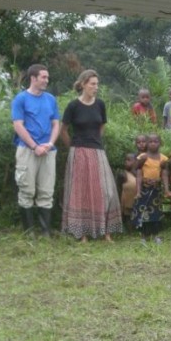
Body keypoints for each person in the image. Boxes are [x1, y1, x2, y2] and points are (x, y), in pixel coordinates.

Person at [61, 69, 122, 242]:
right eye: (92, 84)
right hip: (78, 151)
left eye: (97, 84)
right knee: (81, 192)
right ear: (83, 85)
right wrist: (72, 147)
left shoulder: (100, 104)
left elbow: (102, 125)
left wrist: (95, 140)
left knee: (105, 190)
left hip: (97, 151)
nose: (96, 87)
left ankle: (106, 232)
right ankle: (82, 234)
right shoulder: (73, 106)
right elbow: (63, 130)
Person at [11, 63, 60, 235]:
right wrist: (34, 146)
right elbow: (18, 125)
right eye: (43, 77)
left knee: (47, 191)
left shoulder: (51, 99)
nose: (47, 80)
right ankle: (29, 231)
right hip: (27, 150)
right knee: (26, 190)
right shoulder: (21, 99)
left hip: (48, 151)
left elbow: (56, 124)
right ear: (33, 78)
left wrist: (50, 143)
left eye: (47, 77)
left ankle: (45, 231)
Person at [131, 133, 171, 244]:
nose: (153, 144)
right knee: (143, 212)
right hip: (144, 189)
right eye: (150, 142)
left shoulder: (163, 158)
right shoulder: (142, 157)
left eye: (155, 141)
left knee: (156, 213)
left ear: (160, 143)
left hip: (156, 190)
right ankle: (144, 236)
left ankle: (155, 235)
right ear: (147, 143)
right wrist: (144, 180)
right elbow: (136, 171)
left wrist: (166, 189)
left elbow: (164, 174)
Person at [116, 153, 138, 228]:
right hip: (126, 202)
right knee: (129, 217)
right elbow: (119, 189)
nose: (126, 162)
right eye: (125, 160)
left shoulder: (140, 173)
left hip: (138, 201)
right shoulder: (123, 174)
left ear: (136, 161)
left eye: (129, 160)